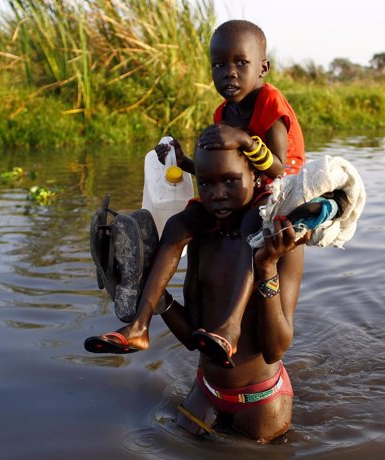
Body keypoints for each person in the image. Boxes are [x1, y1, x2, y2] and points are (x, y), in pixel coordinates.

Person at [85, 19, 305, 367]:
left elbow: (280, 169)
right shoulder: (223, 112)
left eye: (240, 63)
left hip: (276, 192)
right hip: (241, 191)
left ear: (263, 68)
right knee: (178, 225)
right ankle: (139, 326)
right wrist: (186, 161)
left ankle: (231, 327)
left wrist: (246, 141)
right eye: (219, 65)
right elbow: (224, 171)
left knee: (254, 231)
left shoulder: (269, 102)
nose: (229, 73)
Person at [151, 140, 308, 441]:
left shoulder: (281, 241)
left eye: (230, 180)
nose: (217, 194)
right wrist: (153, 292)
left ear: (256, 177)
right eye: (207, 183)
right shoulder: (202, 235)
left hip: (260, 402)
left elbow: (276, 347)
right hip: (206, 389)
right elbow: (193, 338)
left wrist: (266, 269)